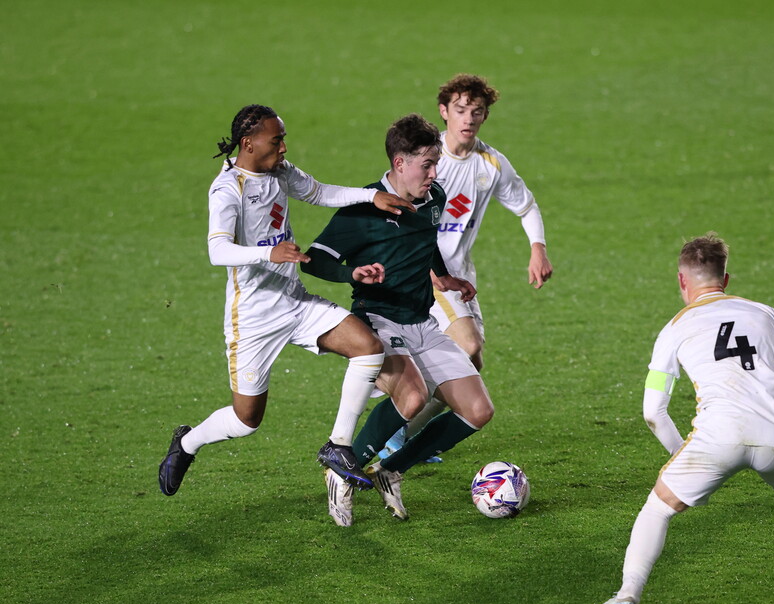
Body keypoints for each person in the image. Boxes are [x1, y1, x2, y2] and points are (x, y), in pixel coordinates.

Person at [597, 234, 774, 604]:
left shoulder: (673, 329)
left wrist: (683, 457)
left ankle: (627, 596)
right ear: (725, 280)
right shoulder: (766, 313)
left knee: (658, 508)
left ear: (682, 281)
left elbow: (653, 412)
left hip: (717, 437)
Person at [158, 104, 413, 496]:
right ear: (248, 143)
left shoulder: (279, 172)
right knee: (246, 421)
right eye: (276, 140)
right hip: (254, 320)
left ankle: (338, 446)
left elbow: (319, 192)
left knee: (367, 348)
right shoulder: (228, 189)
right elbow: (217, 250)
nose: (284, 147)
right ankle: (187, 444)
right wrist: (268, 253)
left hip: (295, 303)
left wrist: (371, 198)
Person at [301, 113, 494, 526]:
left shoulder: (434, 196)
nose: (434, 172)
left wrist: (441, 275)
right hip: (378, 321)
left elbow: (426, 239)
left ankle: (391, 469)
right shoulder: (363, 208)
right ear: (399, 162)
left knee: (478, 410)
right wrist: (350, 273)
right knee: (412, 397)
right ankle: (341, 473)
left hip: (422, 322)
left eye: (436, 162)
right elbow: (314, 260)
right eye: (426, 163)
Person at [380, 73, 553, 460]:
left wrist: (537, 249)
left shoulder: (491, 164)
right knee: (467, 346)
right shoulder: (426, 157)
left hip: (460, 276)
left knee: (470, 361)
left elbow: (525, 205)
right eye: (460, 110)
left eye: (477, 112)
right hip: (424, 274)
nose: (469, 118)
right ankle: (396, 428)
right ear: (443, 112)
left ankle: (403, 429)